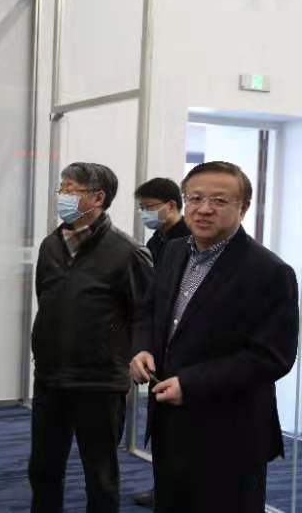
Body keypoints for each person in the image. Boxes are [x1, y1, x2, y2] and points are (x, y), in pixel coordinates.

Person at [130, 161, 299, 513]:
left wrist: (190, 384)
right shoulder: (174, 251)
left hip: (230, 432)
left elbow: (272, 356)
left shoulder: (269, 271)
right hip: (170, 423)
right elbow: (149, 311)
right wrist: (142, 348)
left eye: (219, 201)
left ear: (243, 207)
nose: (204, 209)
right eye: (195, 198)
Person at [29, 162, 153, 513]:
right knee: (43, 469)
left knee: (100, 476)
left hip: (99, 382)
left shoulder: (127, 252)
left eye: (71, 190)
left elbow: (145, 315)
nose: (62, 196)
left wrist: (133, 356)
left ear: (98, 198)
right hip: (51, 377)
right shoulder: (50, 245)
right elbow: (46, 300)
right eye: (62, 189)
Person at [131, 177, 191, 509]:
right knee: (162, 425)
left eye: (150, 207)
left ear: (171, 205)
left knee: (181, 430)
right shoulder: (159, 239)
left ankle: (175, 490)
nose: (145, 214)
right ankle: (163, 487)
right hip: (156, 339)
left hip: (180, 342)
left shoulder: (188, 240)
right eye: (142, 208)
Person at [135, 177, 191, 266]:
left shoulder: (190, 239)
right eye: (142, 208)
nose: (144, 212)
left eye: (148, 206)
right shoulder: (155, 240)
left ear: (171, 206)